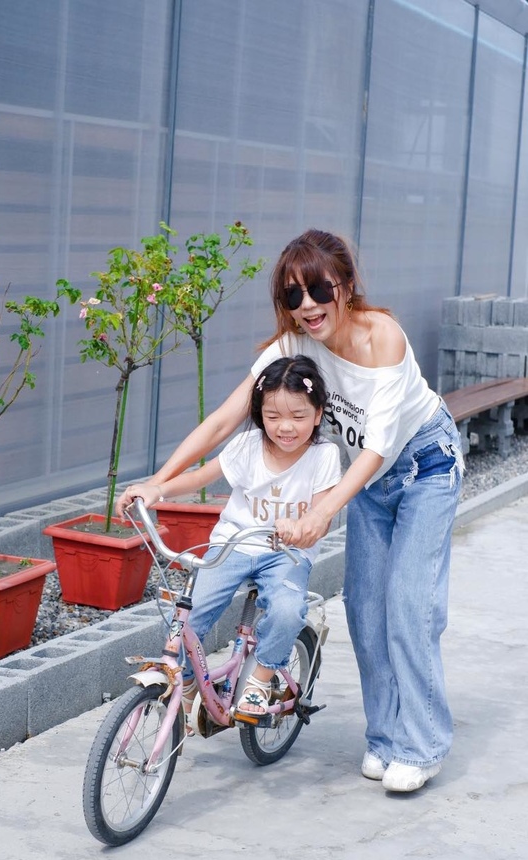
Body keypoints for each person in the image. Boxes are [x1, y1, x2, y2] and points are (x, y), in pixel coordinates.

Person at [119, 228, 464, 793]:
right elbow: (223, 422)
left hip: (423, 468)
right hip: (367, 482)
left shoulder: (384, 339)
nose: (307, 307)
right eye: (292, 296)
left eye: (318, 291)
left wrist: (321, 510)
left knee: (410, 607)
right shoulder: (294, 345)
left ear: (346, 286)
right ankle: (384, 741)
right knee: (364, 608)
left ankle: (421, 745)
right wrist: (157, 483)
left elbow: (376, 447)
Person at [123, 355, 340, 721]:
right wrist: (156, 489)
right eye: (273, 417)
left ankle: (262, 675)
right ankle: (188, 683)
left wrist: (300, 526)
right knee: (187, 618)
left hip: (285, 553)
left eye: (298, 417)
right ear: (259, 414)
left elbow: (321, 512)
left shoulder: (323, 456)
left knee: (288, 611)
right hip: (232, 546)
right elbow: (197, 478)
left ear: (318, 414)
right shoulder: (248, 446)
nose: (285, 427)